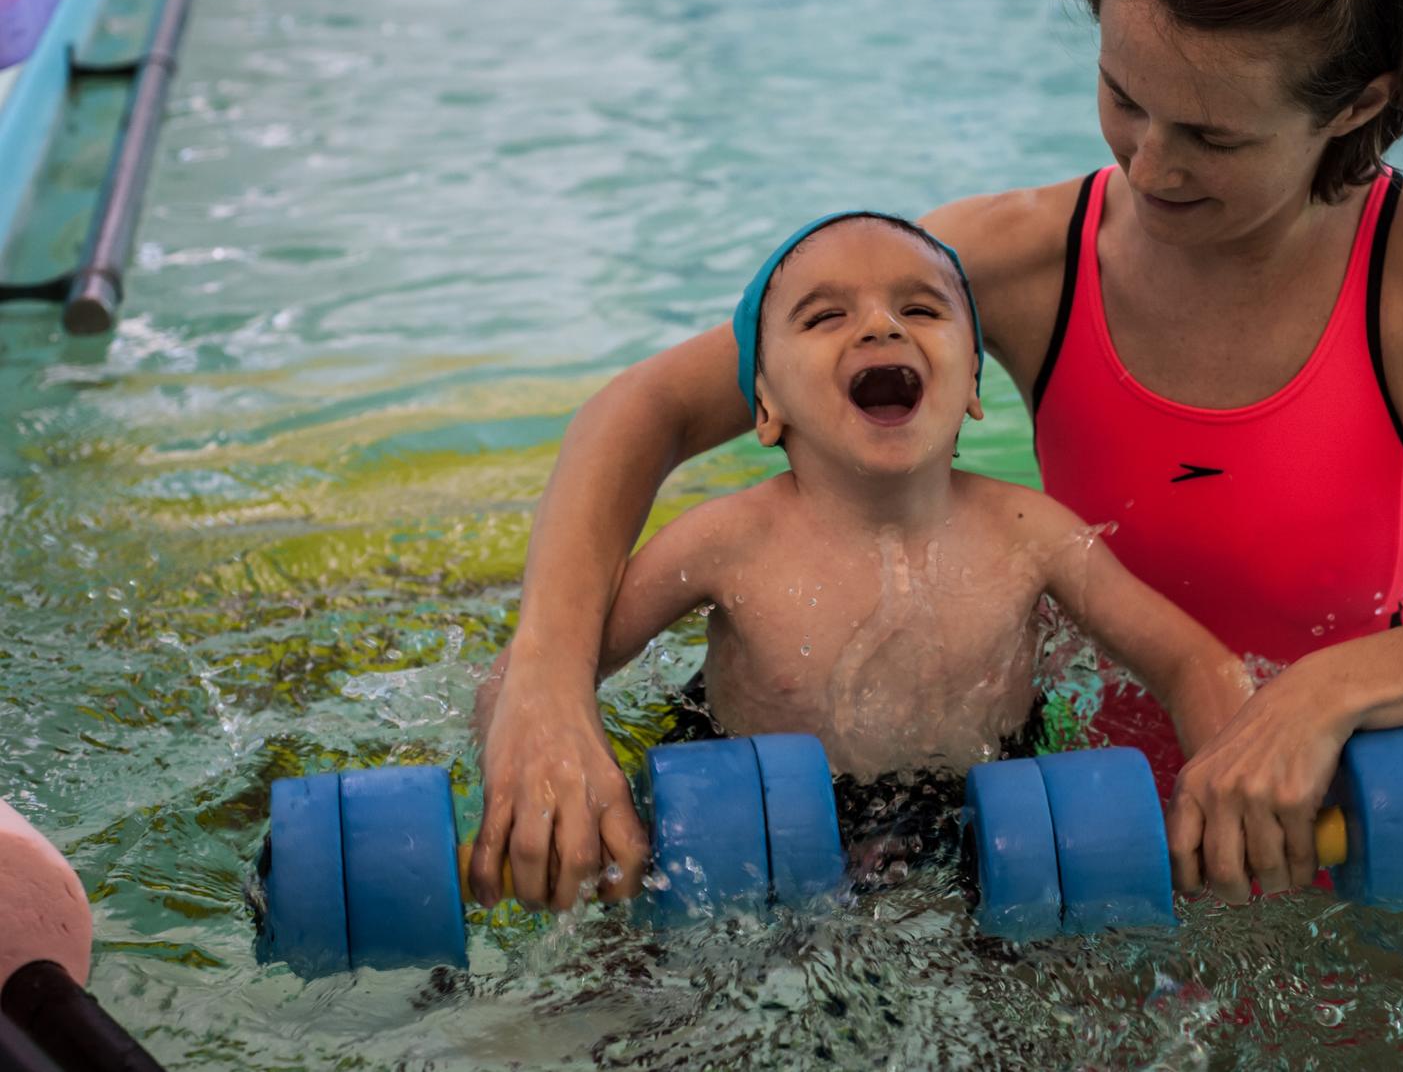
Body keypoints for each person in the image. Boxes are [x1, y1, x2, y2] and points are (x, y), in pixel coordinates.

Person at [473, 0, 1403, 912]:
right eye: (1123, 96)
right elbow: (645, 407)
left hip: (1338, 826)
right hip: (1063, 832)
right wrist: (544, 687)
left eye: (1214, 136)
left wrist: (1325, 695)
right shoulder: (1023, 261)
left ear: (1355, 103)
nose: (1150, 164)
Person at [469, 211, 1251, 905]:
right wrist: (536, 791)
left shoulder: (1032, 534)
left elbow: (1192, 664)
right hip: (747, 812)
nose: (881, 327)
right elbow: (534, 680)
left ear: (973, 384)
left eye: (922, 309)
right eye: (824, 317)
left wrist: (1231, 798)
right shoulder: (726, 542)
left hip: (983, 815)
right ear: (765, 405)